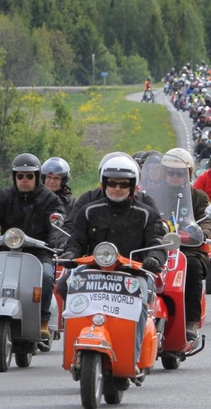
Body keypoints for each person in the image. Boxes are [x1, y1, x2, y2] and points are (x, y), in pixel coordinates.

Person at [60, 155, 165, 366]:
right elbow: (76, 240)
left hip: (132, 274)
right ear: (103, 184)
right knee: (65, 285)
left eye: (123, 184)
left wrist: (154, 259)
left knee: (142, 302)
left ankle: (134, 358)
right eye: (112, 183)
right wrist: (70, 255)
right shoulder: (89, 211)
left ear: (133, 187)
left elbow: (157, 244)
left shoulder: (146, 214)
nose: (117, 188)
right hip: (93, 272)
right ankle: (75, 349)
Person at [0, 153, 64, 343]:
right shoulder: (4, 197)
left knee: (47, 275)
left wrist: (55, 241)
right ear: (14, 177)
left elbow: (57, 223)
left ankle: (43, 321)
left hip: (39, 252)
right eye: (20, 176)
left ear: (37, 177)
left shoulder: (50, 199)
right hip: (7, 251)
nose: (24, 180)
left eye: (29, 176)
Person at [158, 149, 211, 337]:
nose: (175, 176)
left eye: (180, 173)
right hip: (156, 247)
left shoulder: (198, 197)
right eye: (171, 172)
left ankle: (191, 321)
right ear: (164, 173)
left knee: (192, 268)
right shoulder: (152, 195)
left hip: (188, 248)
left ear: (189, 174)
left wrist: (201, 232)